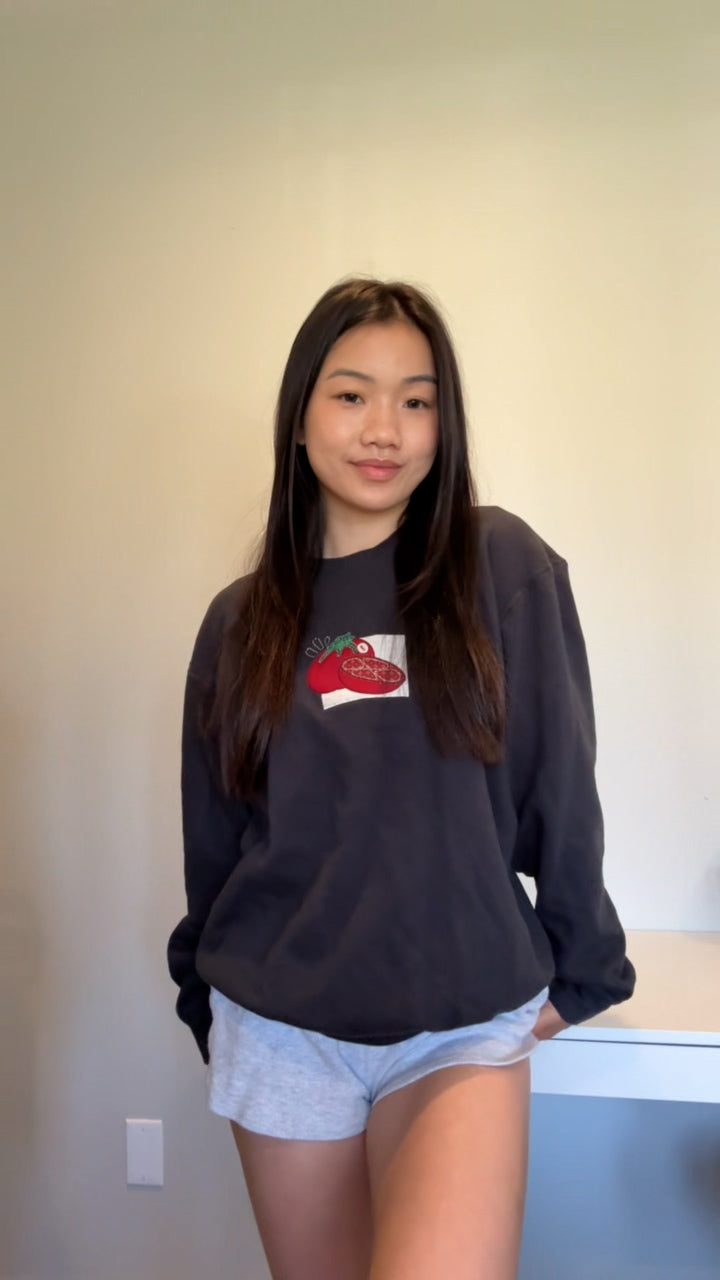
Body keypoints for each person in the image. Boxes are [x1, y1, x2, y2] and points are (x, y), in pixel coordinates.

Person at [167, 276, 636, 1280]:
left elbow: (561, 778)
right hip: (280, 1028)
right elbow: (217, 834)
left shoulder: (499, 565)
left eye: (417, 400)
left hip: (457, 1026)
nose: (385, 428)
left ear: (442, 422)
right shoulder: (241, 621)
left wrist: (586, 962)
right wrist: (204, 987)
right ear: (300, 414)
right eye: (352, 394)